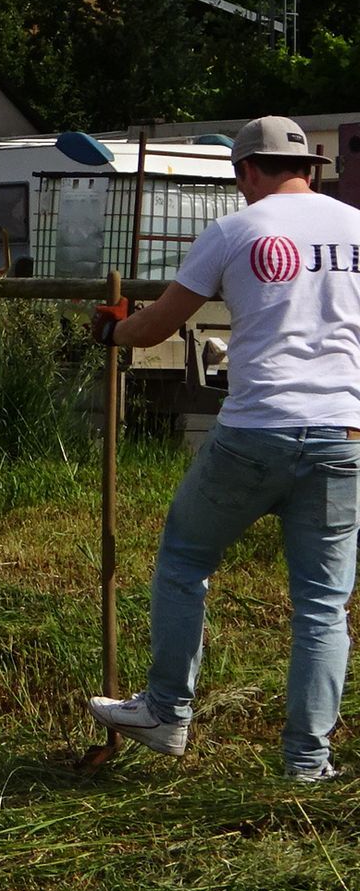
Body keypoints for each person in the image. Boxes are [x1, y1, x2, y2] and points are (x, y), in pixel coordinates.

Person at [88, 116, 360, 782]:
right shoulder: (356, 229)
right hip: (344, 434)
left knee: (184, 558)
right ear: (310, 169)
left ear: (246, 171)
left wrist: (111, 334)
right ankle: (306, 762)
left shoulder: (237, 231)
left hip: (256, 430)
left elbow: (160, 321)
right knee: (323, 606)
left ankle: (165, 711)